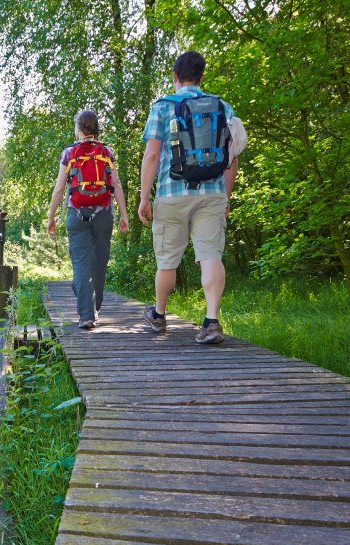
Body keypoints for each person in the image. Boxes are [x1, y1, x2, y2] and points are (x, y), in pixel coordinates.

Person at [138, 51, 247, 344]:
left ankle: (159, 316)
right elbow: (231, 159)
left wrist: (144, 198)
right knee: (211, 255)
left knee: (167, 260)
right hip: (211, 193)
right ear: (202, 76)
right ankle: (211, 321)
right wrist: (225, 197)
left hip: (171, 193)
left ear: (175, 76)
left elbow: (151, 155)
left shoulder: (162, 107)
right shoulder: (222, 108)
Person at [47, 110, 129, 329]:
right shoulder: (106, 152)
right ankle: (94, 306)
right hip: (103, 215)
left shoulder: (69, 153)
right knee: (99, 263)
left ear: (78, 128)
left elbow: (59, 189)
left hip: (77, 214)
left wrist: (51, 217)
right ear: (96, 128)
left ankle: (87, 315)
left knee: (81, 265)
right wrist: (124, 214)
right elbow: (116, 185)